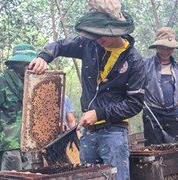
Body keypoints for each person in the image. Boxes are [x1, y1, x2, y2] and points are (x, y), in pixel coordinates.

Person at [28, 1, 146, 179]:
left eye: (102, 33)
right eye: (94, 33)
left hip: (114, 132)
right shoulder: (88, 44)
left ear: (116, 29)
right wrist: (44, 56)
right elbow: (60, 45)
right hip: (88, 132)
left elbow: (134, 104)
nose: (98, 38)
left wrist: (99, 113)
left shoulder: (134, 60)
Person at [143, 27, 178, 145]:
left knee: (175, 151)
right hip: (153, 114)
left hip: (173, 115)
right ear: (157, 47)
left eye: (169, 48)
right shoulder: (146, 66)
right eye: (162, 48)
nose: (165, 51)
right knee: (154, 150)